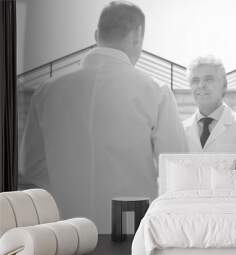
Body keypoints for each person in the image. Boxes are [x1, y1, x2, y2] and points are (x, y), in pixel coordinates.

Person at [19, 1, 188, 233]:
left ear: (97, 34)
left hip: (66, 227)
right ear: (138, 36)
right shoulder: (155, 92)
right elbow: (177, 166)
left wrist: (68, 188)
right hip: (131, 228)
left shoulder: (46, 92)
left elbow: (30, 166)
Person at [183, 55, 236, 153]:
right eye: (195, 80)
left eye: (209, 79)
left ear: (224, 85)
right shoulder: (181, 131)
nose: (201, 85)